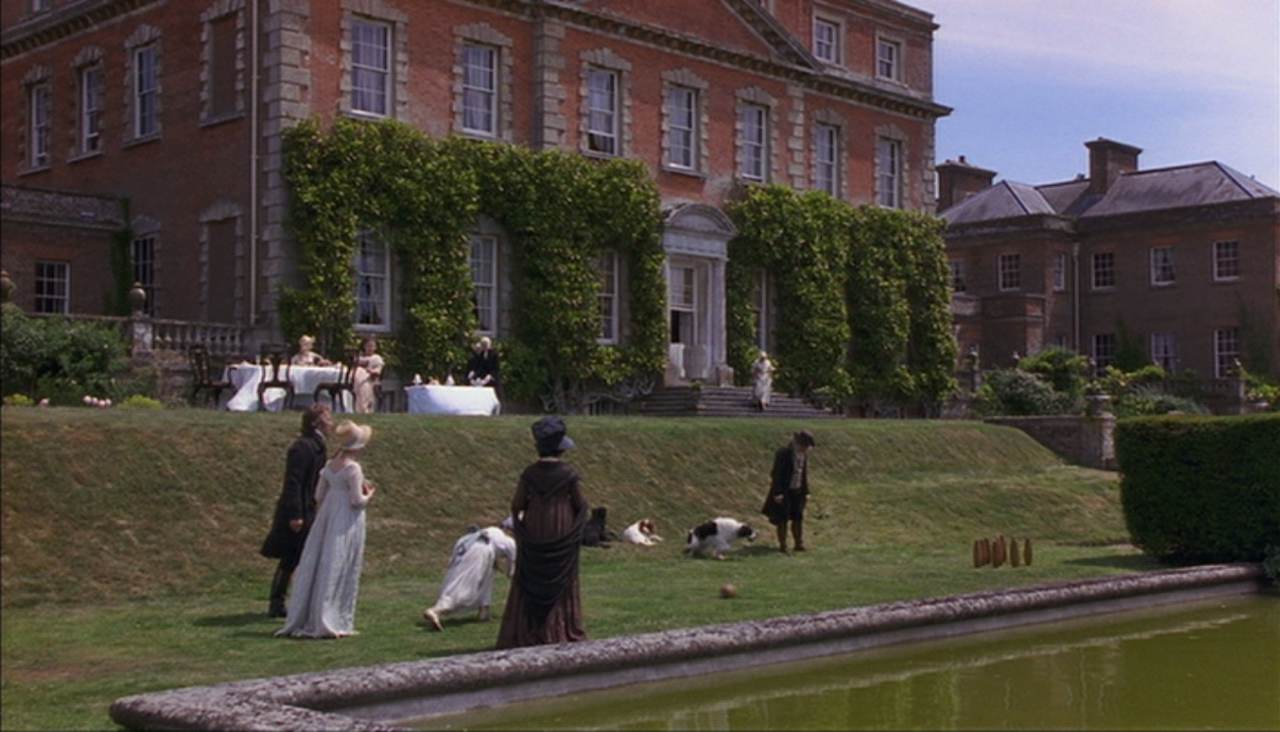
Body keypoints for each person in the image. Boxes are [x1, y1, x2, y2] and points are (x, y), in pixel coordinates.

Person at [276, 421, 376, 638]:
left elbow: (318, 495)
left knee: (322, 560)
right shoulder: (353, 468)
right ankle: (332, 616)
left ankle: (313, 612)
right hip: (345, 517)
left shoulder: (330, 466)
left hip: (328, 515)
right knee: (338, 562)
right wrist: (369, 495)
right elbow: (356, 500)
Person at [496, 417, 588, 649]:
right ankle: (559, 629)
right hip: (562, 526)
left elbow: (517, 505)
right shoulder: (568, 474)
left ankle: (528, 630)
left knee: (531, 575)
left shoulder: (529, 474)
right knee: (561, 575)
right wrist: (574, 531)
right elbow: (581, 505)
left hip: (535, 526)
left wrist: (523, 529)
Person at [260, 403, 332, 618]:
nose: (331, 422)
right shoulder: (303, 447)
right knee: (291, 557)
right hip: (299, 510)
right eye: (327, 418)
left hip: (309, 507)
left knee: (299, 556)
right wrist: (296, 514)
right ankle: (277, 601)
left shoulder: (316, 445)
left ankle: (295, 599)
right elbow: (294, 482)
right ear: (316, 422)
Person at [423, 525, 516, 631]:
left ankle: (484, 612)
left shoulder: (491, 533)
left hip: (465, 544)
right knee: (465, 588)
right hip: (479, 550)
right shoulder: (509, 542)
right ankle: (435, 611)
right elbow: (513, 570)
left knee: (476, 576)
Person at [761, 430, 816, 554]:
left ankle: (798, 543)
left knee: (798, 517)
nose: (806, 449)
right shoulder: (784, 454)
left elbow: (803, 474)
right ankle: (783, 545)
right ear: (798, 443)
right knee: (783, 518)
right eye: (805, 446)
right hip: (785, 491)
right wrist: (778, 492)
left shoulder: (803, 455)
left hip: (798, 490)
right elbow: (776, 474)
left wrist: (806, 491)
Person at [352, 335, 385, 414]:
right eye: (368, 346)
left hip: (370, 379)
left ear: (375, 348)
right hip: (354, 379)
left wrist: (370, 371)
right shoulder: (359, 358)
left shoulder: (377, 358)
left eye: (372, 346)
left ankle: (364, 408)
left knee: (363, 382)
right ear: (364, 346)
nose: (370, 348)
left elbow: (378, 372)